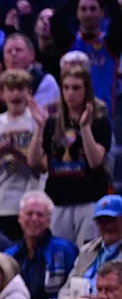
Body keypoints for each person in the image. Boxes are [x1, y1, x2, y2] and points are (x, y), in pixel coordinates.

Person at [27, 65, 111, 247]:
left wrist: (85, 128)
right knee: (60, 256)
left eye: (76, 88)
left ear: (86, 90)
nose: (70, 93)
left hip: (89, 200)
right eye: (66, 87)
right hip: (58, 202)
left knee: (86, 253)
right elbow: (32, 161)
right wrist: (39, 127)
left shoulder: (99, 122)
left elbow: (95, 161)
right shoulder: (51, 123)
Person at [0, 69, 44, 240]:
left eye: (20, 88)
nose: (16, 94)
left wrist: (16, 152)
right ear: (2, 93)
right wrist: (0, 154)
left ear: (28, 92)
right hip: (0, 202)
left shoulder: (37, 121)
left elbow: (42, 167)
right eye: (11, 89)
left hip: (30, 199)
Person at [5, 191, 78, 299]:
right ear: (19, 218)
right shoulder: (9, 255)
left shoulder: (65, 250)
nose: (34, 219)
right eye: (29, 213)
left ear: (48, 220)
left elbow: (73, 288)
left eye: (40, 214)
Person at [59, 194, 122, 298]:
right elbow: (66, 289)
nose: (107, 225)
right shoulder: (87, 250)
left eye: (112, 220)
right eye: (102, 221)